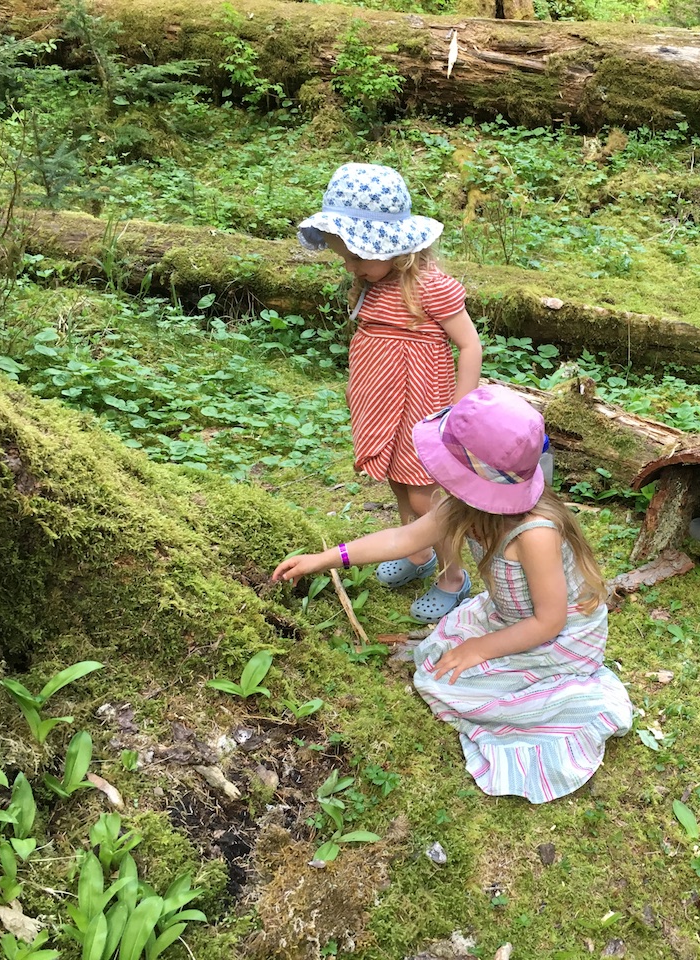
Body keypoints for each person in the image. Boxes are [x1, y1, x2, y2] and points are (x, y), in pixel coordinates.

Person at [272, 386, 633, 803]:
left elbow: (549, 620)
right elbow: (403, 538)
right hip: (510, 617)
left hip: (559, 636)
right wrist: (324, 559)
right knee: (440, 658)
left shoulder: (535, 534)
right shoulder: (462, 506)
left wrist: (480, 648)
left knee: (450, 681)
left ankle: (566, 703)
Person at [297, 162, 483, 623]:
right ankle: (417, 554)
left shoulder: (430, 287)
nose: (350, 266)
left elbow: (469, 345)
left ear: (393, 249)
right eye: (345, 256)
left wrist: (459, 410)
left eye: (356, 257)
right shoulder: (372, 282)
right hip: (382, 404)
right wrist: (356, 392)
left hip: (422, 405)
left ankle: (453, 576)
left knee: (425, 497)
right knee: (399, 482)